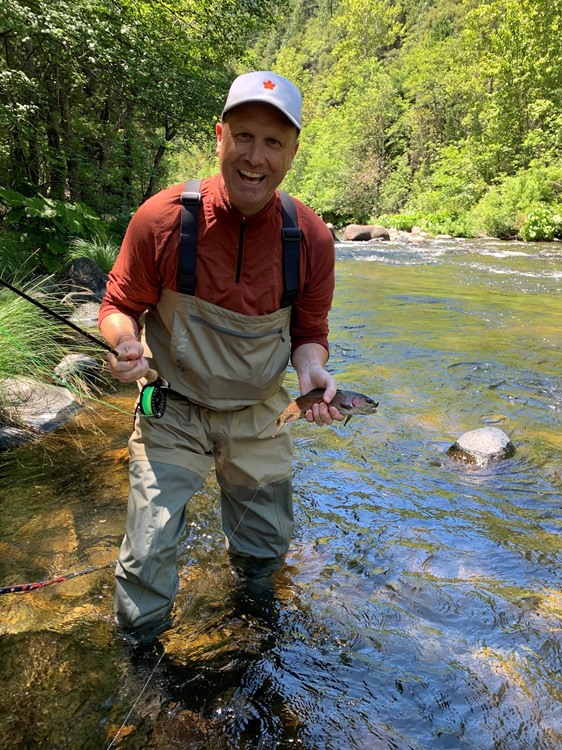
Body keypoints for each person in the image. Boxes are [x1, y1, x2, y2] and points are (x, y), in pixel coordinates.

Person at [99, 70, 342, 640]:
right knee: (148, 551)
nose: (256, 157)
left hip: (259, 412)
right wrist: (124, 342)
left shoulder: (310, 238)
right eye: (244, 137)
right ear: (220, 136)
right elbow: (117, 304)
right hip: (171, 408)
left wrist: (311, 370)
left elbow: (310, 332)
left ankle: (253, 629)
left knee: (264, 554)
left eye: (274, 141)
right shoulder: (161, 219)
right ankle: (140, 659)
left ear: (293, 151)